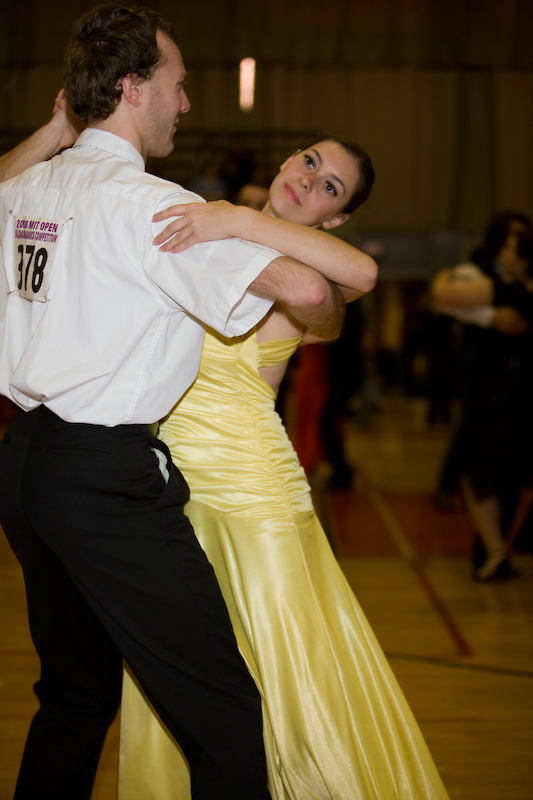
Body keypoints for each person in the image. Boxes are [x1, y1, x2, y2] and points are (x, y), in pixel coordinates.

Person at [0, 6, 377, 799]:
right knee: (224, 716)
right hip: (104, 478)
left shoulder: (30, 185)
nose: (186, 102)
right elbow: (313, 290)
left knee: (74, 696)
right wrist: (235, 226)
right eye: (177, 84)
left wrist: (56, 132)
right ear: (134, 89)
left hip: (25, 469)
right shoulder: (153, 206)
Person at [119, 138, 450, 799]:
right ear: (285, 160)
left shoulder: (311, 272)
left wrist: (239, 217)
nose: (308, 181)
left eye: (330, 188)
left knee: (285, 668)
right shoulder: (209, 229)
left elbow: (365, 274)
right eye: (309, 162)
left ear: (336, 218)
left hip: (252, 490)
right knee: (181, 669)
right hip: (170, 486)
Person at [432, 227, 533, 580]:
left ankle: (496, 551)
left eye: (512, 250)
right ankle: (497, 552)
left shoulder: (506, 288)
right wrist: (488, 317)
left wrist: (445, 275)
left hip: (501, 392)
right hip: (509, 392)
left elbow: (442, 294)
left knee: (484, 473)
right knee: (504, 476)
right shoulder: (507, 288)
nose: (504, 255)